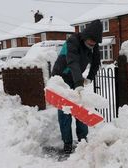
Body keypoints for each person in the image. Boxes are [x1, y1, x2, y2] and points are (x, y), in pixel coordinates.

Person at [51, 19, 103, 154]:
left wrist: (90, 78)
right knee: (65, 110)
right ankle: (67, 143)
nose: (92, 44)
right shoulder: (72, 41)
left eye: (95, 42)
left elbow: (96, 62)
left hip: (76, 76)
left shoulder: (94, 45)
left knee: (80, 108)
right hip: (61, 77)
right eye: (90, 41)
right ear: (85, 36)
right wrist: (79, 83)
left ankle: (83, 140)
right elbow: (72, 62)